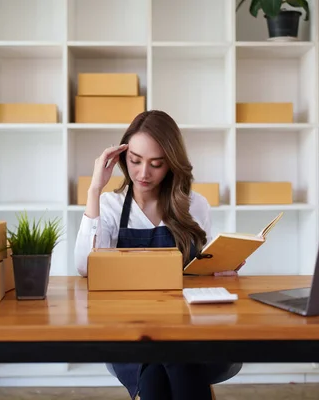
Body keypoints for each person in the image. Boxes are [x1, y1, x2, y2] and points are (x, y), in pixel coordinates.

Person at [74, 110, 243, 400]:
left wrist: (221, 267)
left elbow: (200, 269)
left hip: (187, 327)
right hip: (130, 328)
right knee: (167, 358)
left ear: (172, 164)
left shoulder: (193, 205)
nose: (143, 173)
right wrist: (94, 188)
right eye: (135, 161)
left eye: (156, 164)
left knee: (166, 358)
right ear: (122, 157)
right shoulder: (110, 206)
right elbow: (84, 266)